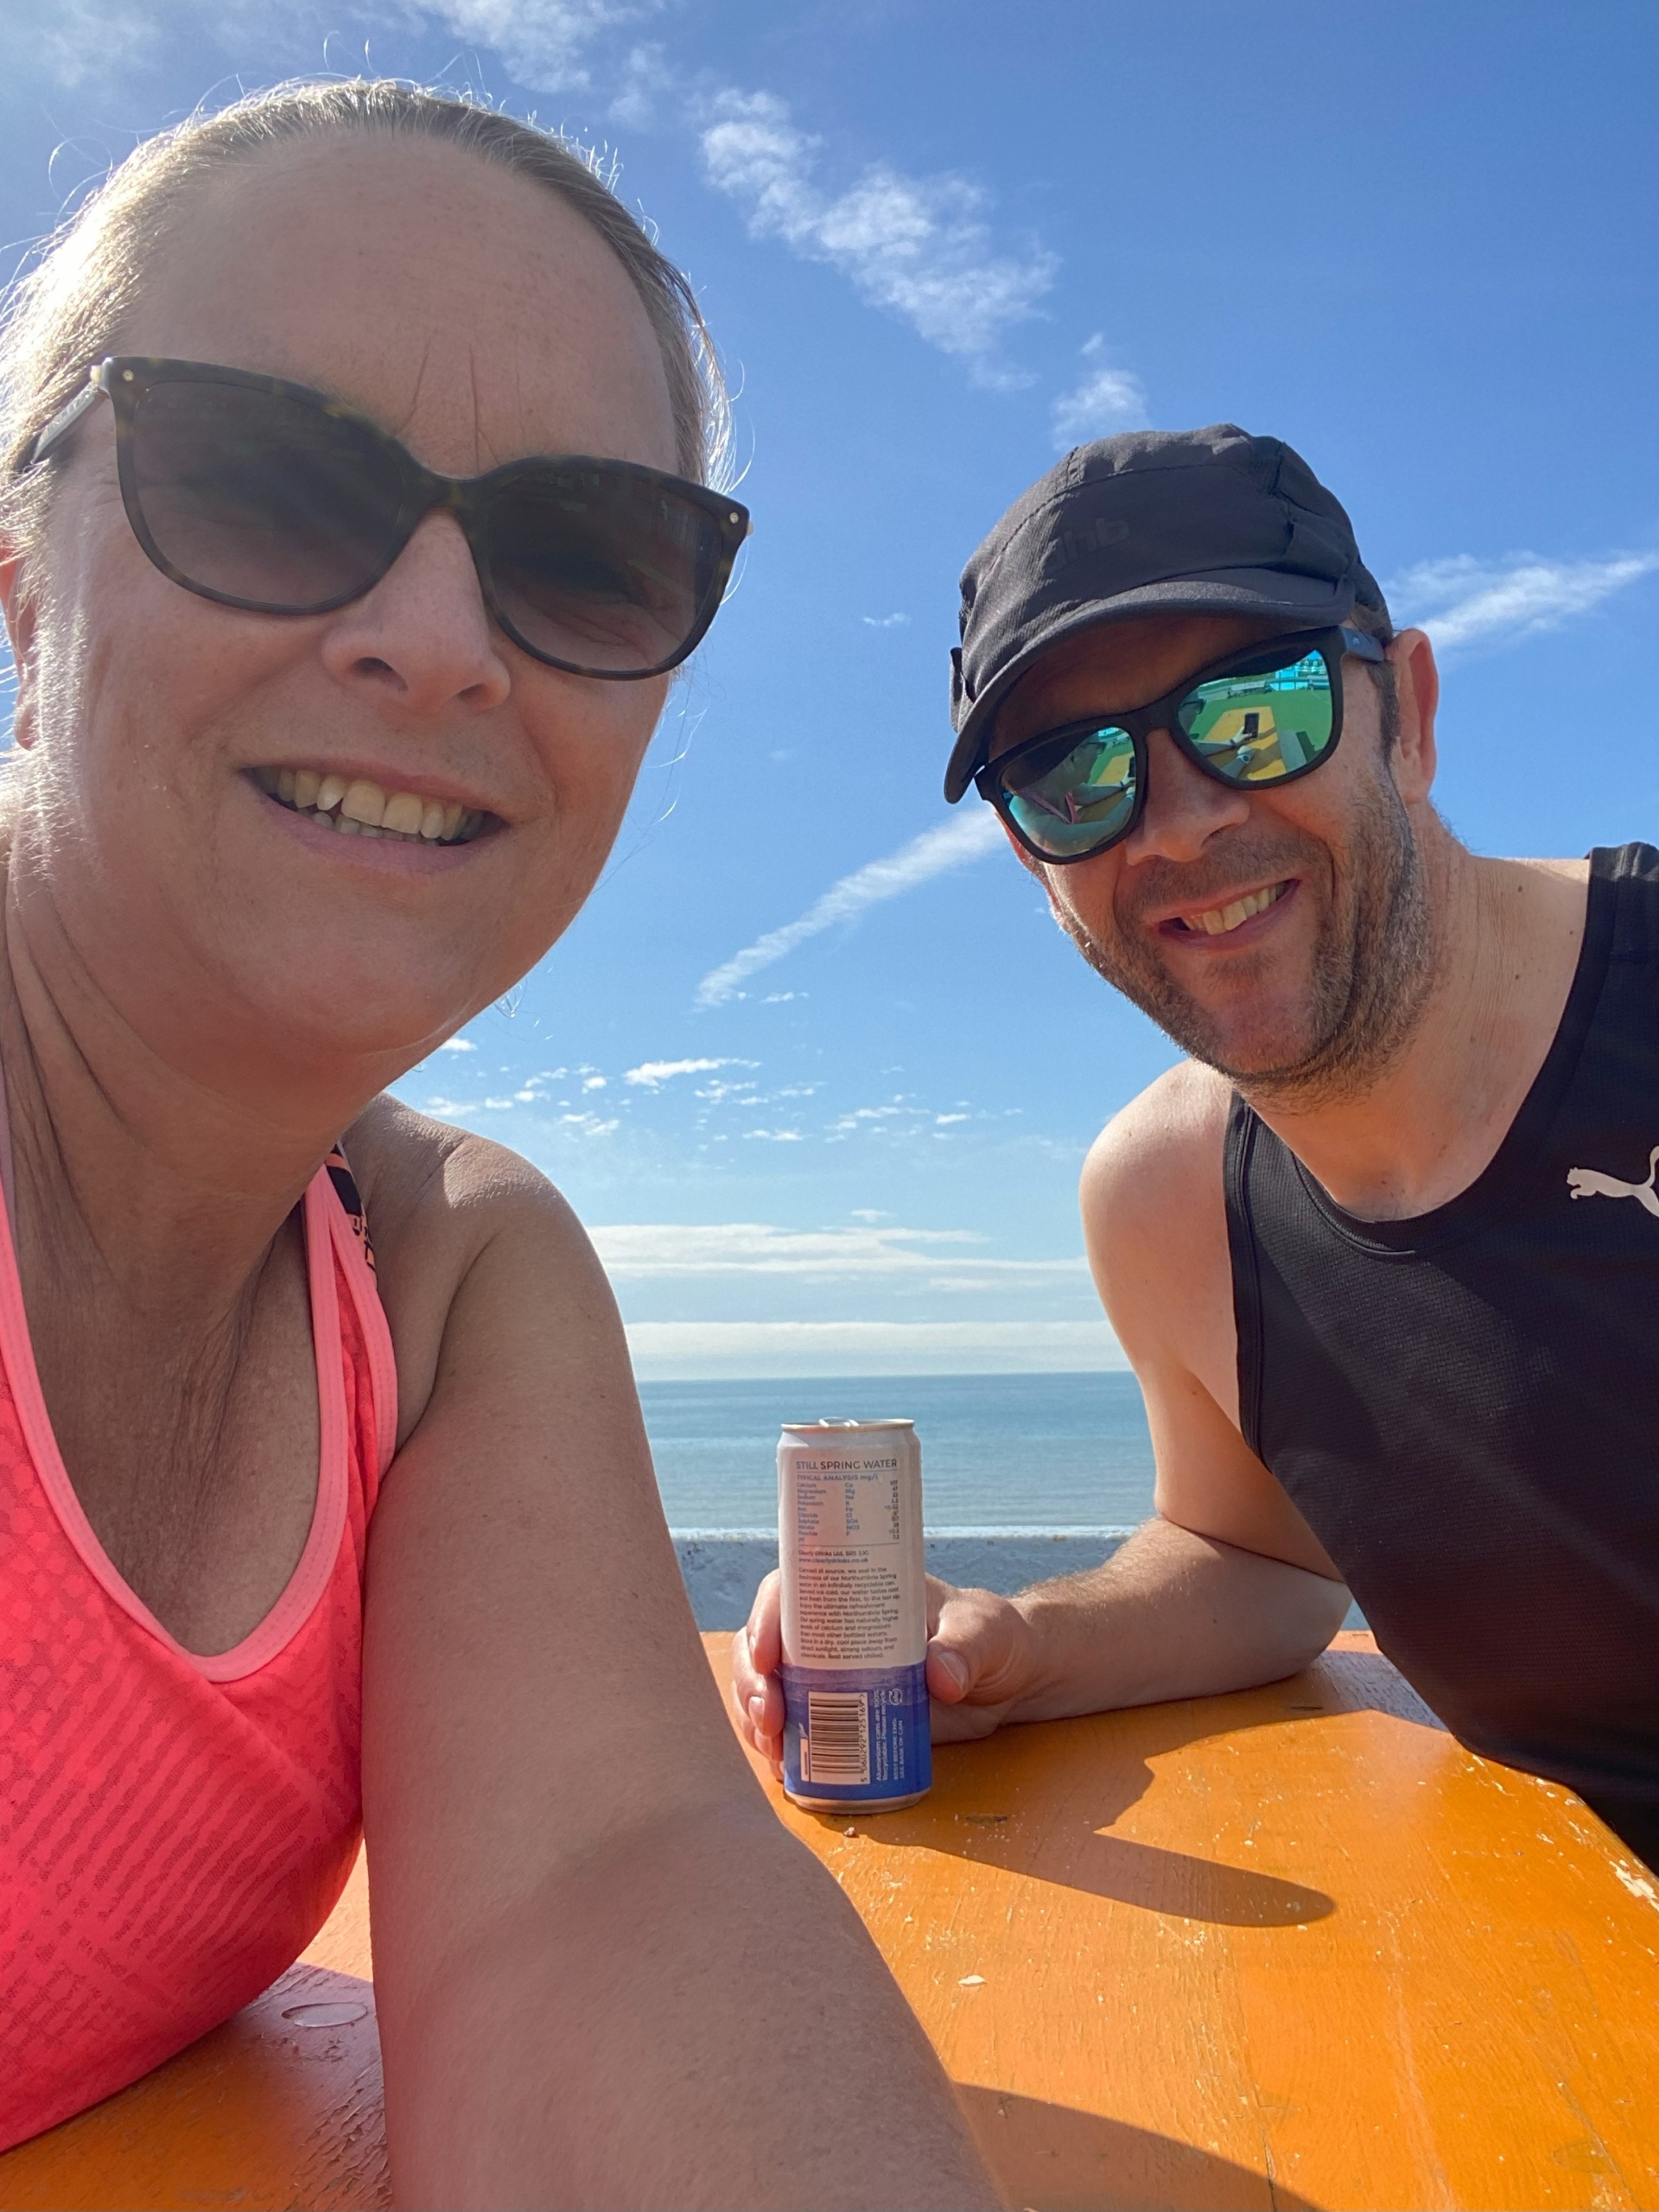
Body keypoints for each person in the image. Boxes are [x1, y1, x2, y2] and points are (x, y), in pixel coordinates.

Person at [0, 79, 998, 2208]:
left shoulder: (449, 1267)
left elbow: (605, 1901)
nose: (438, 643)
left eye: (582, 552)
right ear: (19, 566)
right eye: (265, 478)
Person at [736, 424, 1659, 1873]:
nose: (1177, 822)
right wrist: (1018, 1643)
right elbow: (1262, 1559)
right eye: (1070, 775)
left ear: (1406, 715)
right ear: (1037, 869)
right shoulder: (1172, 1202)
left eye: (1257, 711)